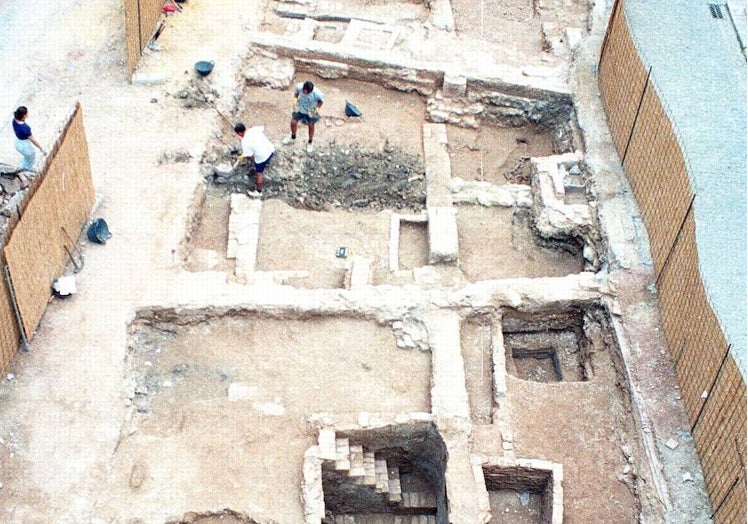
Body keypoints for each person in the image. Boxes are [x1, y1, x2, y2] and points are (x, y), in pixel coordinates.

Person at [282, 80, 324, 153]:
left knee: (311, 126)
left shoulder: (317, 93)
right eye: (304, 91)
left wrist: (315, 109)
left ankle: (310, 142)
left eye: (307, 92)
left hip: (311, 110)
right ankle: (293, 137)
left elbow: (321, 101)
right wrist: (295, 101)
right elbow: (296, 93)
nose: (305, 93)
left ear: (311, 91)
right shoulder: (299, 87)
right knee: (293, 122)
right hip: (300, 108)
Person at [234, 122, 275, 196]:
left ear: (239, 133)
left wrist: (254, 162)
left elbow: (249, 156)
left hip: (263, 158)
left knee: (259, 173)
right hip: (271, 150)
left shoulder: (245, 142)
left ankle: (259, 192)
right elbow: (263, 127)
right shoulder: (254, 129)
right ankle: (266, 162)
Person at [12, 106, 45, 172]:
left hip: (18, 142)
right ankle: (26, 170)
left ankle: (25, 167)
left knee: (27, 158)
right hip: (24, 145)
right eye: (27, 113)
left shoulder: (14, 120)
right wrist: (41, 148)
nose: (28, 114)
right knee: (30, 157)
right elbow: (33, 140)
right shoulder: (25, 128)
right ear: (24, 116)